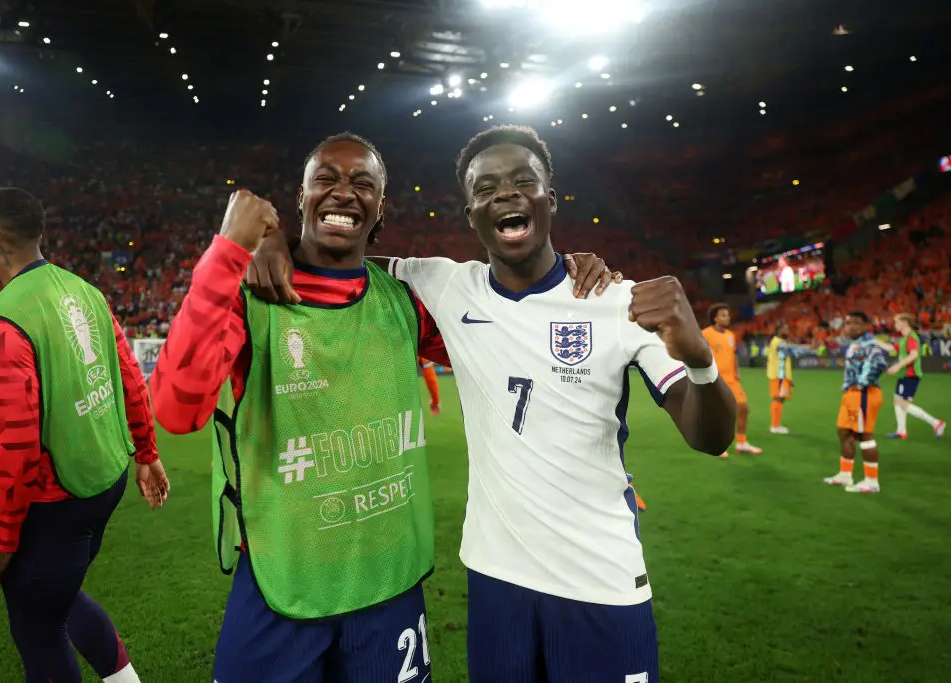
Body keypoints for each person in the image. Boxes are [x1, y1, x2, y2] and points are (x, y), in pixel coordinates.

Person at [252, 125, 735, 683]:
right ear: (471, 213)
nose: (504, 194)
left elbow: (710, 436)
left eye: (522, 181)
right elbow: (335, 252)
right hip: (494, 581)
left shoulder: (617, 302)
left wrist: (700, 359)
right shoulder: (445, 285)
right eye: (485, 188)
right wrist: (272, 241)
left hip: (599, 581)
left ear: (548, 201)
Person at [195, 133, 614, 683]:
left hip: (389, 578)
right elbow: (179, 409)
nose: (343, 194)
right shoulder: (256, 298)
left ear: (379, 207)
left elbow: (509, 331)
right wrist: (248, 247)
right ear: (300, 198)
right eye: (325, 180)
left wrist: (559, 275)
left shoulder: (403, 303)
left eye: (361, 184)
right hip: (282, 574)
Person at [0, 188, 169, 683]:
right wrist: (146, 452)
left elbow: (17, 444)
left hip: (56, 501)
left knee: (39, 625)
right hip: (106, 481)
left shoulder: (3, 319)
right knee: (60, 595)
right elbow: (128, 378)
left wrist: (2, 542)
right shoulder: (84, 290)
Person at [824, 311, 887, 493]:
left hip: (865, 393)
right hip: (852, 394)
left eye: (855, 323)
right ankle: (845, 475)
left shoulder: (870, 343)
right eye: (847, 323)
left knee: (864, 435)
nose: (850, 327)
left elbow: (879, 363)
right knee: (843, 432)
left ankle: (871, 481)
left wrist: (862, 384)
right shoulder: (855, 343)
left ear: (866, 325)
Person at [703, 303, 761, 456]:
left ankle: (741, 443)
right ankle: (716, 445)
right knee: (719, 414)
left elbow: (733, 354)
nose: (726, 317)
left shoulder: (730, 335)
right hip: (715, 379)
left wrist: (737, 370)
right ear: (715, 318)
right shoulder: (705, 334)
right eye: (723, 315)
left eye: (728, 315)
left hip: (731, 379)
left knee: (743, 409)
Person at [879, 314, 945, 439]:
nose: (895, 324)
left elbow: (913, 355)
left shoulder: (911, 337)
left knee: (903, 404)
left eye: (897, 322)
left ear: (904, 322)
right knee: (897, 400)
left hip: (911, 375)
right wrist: (875, 342)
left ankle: (936, 423)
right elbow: (891, 348)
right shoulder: (904, 339)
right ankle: (901, 431)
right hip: (904, 375)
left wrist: (897, 366)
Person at [765, 322, 814, 434]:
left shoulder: (780, 342)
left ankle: (775, 425)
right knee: (778, 398)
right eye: (784, 328)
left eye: (788, 328)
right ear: (778, 330)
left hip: (781, 376)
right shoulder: (778, 342)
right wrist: (810, 348)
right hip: (779, 376)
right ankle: (774, 426)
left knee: (780, 399)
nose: (787, 331)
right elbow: (793, 350)